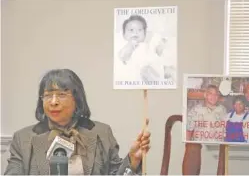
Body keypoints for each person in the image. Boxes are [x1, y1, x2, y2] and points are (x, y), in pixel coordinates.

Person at [4, 69, 151, 175]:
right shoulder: (23, 138)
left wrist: (132, 160)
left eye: (61, 95)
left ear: (77, 99)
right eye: (48, 95)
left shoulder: (101, 133)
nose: (53, 102)